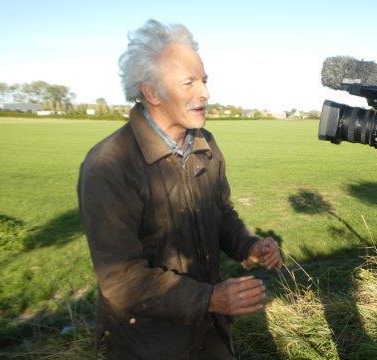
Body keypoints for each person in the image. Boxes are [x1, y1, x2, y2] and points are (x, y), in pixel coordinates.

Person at [78, 19, 282, 359]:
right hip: (149, 343)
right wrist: (210, 299)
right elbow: (122, 279)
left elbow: (222, 214)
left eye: (204, 80)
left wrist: (248, 246)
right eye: (189, 82)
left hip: (211, 331)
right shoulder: (109, 166)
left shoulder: (205, 144)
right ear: (152, 92)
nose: (205, 93)